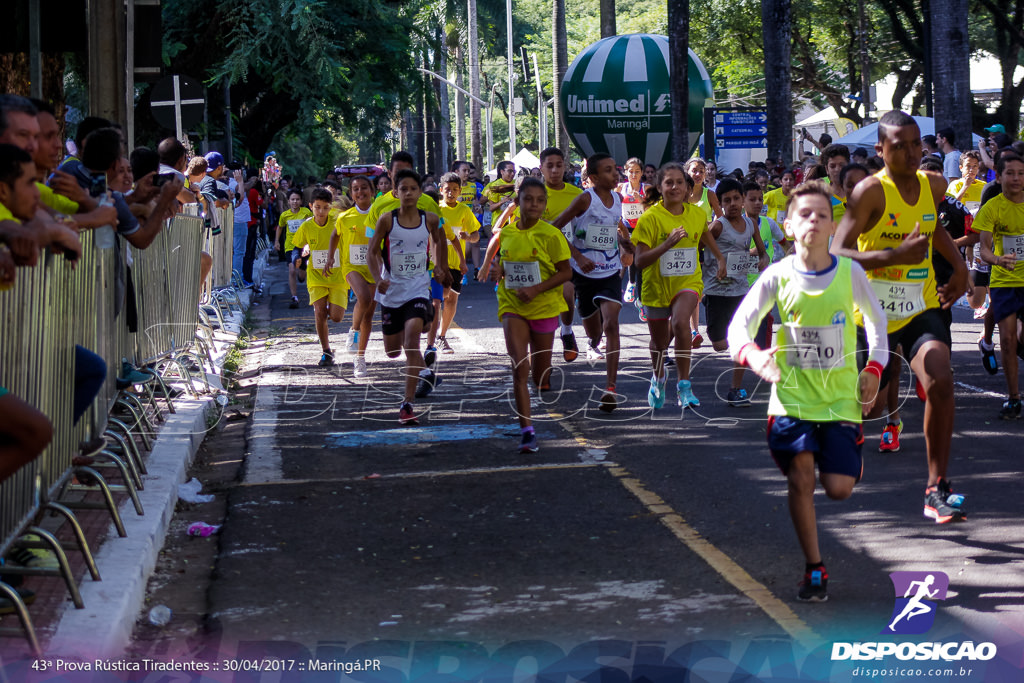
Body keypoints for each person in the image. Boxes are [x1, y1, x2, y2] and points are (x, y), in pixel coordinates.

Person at [728, 180, 888, 603]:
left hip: (840, 400)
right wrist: (753, 355)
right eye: (804, 214)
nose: (813, 220)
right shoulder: (777, 276)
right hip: (791, 399)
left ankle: (847, 455)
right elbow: (737, 328)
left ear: (832, 224)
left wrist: (873, 366)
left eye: (821, 214)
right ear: (789, 224)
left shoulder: (850, 272)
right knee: (801, 478)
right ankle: (814, 567)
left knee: (838, 489)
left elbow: (877, 325)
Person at [831, 110, 970, 524]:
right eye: (899, 146)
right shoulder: (871, 192)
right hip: (869, 312)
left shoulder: (931, 184)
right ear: (880, 150)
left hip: (918, 305)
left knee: (940, 378)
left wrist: (959, 268)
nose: (911, 153)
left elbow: (934, 230)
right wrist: (891, 256)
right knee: (867, 407)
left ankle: (936, 488)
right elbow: (837, 253)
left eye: (916, 144)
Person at [633, 163, 726, 410]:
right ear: (660, 188)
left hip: (688, 281)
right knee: (660, 343)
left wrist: (719, 257)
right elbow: (639, 261)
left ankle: (684, 385)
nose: (675, 187)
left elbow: (705, 235)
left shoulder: (696, 214)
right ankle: (659, 376)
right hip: (656, 287)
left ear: (687, 187)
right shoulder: (650, 218)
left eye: (680, 182)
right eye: (669, 182)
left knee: (680, 322)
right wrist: (668, 244)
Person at [367, 169, 451, 424]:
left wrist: (440, 266)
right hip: (392, 292)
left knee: (412, 342)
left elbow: (439, 240)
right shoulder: (387, 220)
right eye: (404, 189)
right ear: (395, 192)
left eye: (414, 189)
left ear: (420, 192)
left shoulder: (431, 219)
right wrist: (378, 279)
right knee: (393, 351)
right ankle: (426, 372)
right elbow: (372, 253)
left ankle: (407, 404)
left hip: (417, 289)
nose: (409, 193)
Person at [494, 176, 572, 451]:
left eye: (540, 200)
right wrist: (497, 271)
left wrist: (537, 289)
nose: (534, 205)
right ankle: (527, 429)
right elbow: (505, 261)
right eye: (528, 200)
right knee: (519, 367)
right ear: (517, 203)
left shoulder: (551, 235)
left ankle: (542, 378)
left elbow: (566, 272)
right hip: (512, 304)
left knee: (540, 376)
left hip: (544, 307)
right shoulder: (507, 232)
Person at [551, 154, 632, 411]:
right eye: (608, 171)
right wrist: (576, 255)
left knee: (611, 324)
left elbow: (616, 225)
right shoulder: (585, 199)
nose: (615, 174)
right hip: (584, 275)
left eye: (615, 169)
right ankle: (590, 341)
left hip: (610, 272)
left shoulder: (618, 198)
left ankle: (610, 388)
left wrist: (625, 242)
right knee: (595, 332)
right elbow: (555, 229)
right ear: (594, 178)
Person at [701, 178, 770, 406]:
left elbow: (761, 251)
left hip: (740, 290)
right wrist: (716, 261)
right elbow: (699, 244)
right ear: (719, 203)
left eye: (736, 199)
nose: (732, 203)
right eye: (726, 200)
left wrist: (762, 258)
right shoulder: (718, 225)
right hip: (717, 291)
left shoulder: (751, 224)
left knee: (741, 338)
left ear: (742, 200)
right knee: (719, 343)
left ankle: (736, 389)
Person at [974, 152, 1024, 418]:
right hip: (1005, 281)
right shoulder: (992, 207)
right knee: (1007, 340)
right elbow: (983, 249)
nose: (1016, 178)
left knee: (1020, 339)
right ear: (1000, 175)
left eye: (1021, 173)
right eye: (1010, 173)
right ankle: (1014, 399)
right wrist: (998, 260)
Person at [291, 188, 347, 367]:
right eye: (317, 207)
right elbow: (296, 247)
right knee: (320, 312)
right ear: (311, 206)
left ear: (330, 208)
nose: (321, 212)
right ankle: (326, 351)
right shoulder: (306, 226)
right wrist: (298, 257)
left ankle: (330, 308)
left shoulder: (337, 223)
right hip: (315, 276)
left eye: (325, 208)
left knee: (336, 317)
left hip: (337, 277)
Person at [328, 176, 376, 377]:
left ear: (372, 191)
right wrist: (331, 256)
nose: (360, 192)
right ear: (351, 194)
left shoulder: (379, 214)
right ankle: (353, 332)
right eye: (355, 189)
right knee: (363, 298)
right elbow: (335, 235)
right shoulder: (344, 217)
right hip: (351, 266)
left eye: (364, 188)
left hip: (374, 266)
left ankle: (360, 358)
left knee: (369, 314)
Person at [436, 171, 480, 354]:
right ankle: (433, 334)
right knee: (440, 296)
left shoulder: (464, 210)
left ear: (460, 191)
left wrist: (468, 237)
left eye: (455, 190)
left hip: (456, 263)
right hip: (437, 263)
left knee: (452, 299)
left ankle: (441, 336)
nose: (451, 193)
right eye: (447, 189)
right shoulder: (436, 209)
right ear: (441, 190)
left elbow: (476, 236)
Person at [619, 157, 649, 304]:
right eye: (631, 171)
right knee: (630, 257)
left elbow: (653, 209)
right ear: (625, 172)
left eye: (637, 171)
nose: (634, 175)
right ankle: (631, 283)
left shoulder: (647, 188)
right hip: (627, 227)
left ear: (642, 172)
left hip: (642, 228)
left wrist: (642, 200)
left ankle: (641, 299)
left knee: (640, 261)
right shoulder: (620, 188)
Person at [276, 189, 314, 308]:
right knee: (292, 270)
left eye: (297, 199)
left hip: (304, 246)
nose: (295, 202)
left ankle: (301, 274)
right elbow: (280, 227)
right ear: (289, 201)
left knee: (302, 275)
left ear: (301, 201)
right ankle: (294, 297)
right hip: (290, 247)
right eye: (292, 199)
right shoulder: (285, 215)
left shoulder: (306, 212)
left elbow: (313, 224)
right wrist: (276, 241)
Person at [820, 144, 851, 224]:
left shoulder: (859, 191)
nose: (838, 169)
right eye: (832, 166)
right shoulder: (821, 194)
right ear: (827, 169)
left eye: (842, 165)